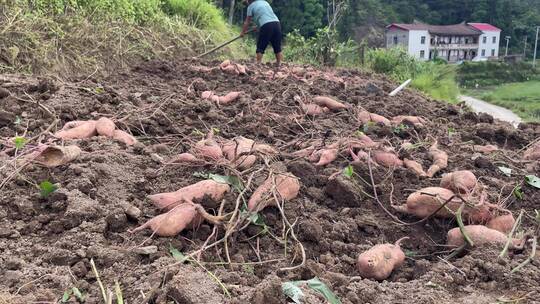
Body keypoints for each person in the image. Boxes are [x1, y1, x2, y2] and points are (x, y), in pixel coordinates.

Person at [241, 0, 282, 66]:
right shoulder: (264, 2)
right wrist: (259, 26)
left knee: (261, 45)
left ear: (249, 1)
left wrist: (242, 32)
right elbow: (266, 15)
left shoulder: (250, 7)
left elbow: (247, 22)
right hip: (277, 23)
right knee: (277, 45)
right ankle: (279, 62)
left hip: (266, 25)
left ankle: (258, 63)